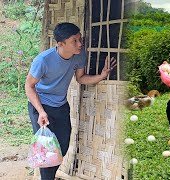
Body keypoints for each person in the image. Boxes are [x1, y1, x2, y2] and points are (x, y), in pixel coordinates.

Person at [25, 22, 116, 179]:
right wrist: (40, 111)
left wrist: (101, 76)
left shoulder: (79, 55)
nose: (80, 44)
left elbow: (80, 78)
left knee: (63, 145)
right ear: (61, 43)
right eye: (75, 40)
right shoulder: (43, 60)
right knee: (47, 149)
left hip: (60, 105)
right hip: (40, 105)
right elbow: (29, 86)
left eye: (80, 39)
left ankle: (47, 177)